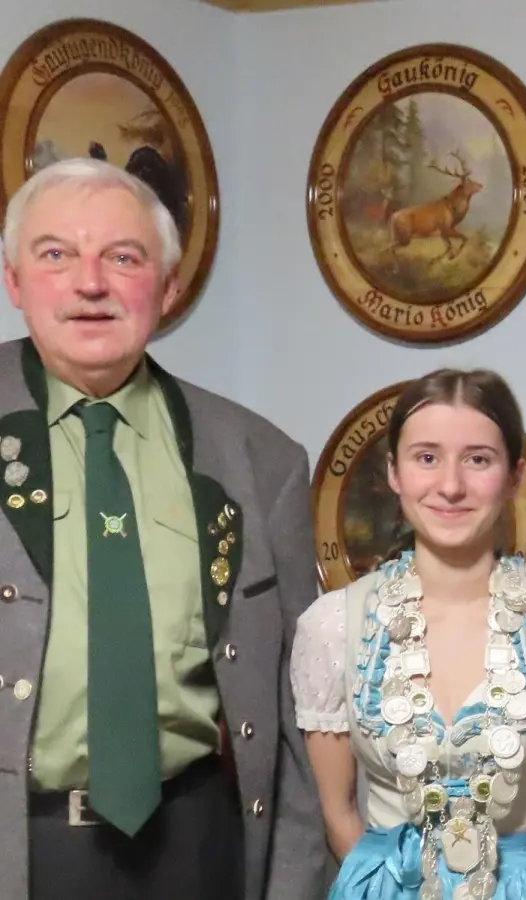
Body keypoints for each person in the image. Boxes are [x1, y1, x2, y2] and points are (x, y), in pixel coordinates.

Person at [0, 156, 326, 900]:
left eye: (123, 257)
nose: (90, 283)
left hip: (198, 844)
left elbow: (301, 715)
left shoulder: (261, 460)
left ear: (169, 288)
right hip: (20, 847)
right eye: (55, 255)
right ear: (14, 280)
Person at [290, 368, 526, 899]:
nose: (450, 485)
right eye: (426, 457)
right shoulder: (332, 625)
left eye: (478, 459)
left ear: (512, 477)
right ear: (394, 473)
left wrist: (521, 882)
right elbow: (336, 809)